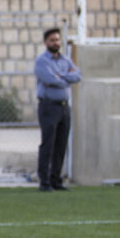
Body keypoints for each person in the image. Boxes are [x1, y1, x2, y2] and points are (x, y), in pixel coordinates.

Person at [34, 27, 82, 192]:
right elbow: (48, 79)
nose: (55, 43)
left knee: (61, 144)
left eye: (57, 39)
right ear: (46, 42)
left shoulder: (66, 60)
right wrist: (64, 78)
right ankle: (44, 181)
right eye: (52, 40)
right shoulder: (42, 61)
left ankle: (56, 179)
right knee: (48, 144)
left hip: (64, 107)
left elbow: (78, 76)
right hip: (48, 106)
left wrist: (60, 77)